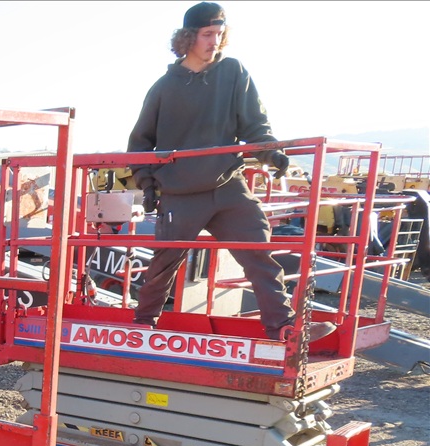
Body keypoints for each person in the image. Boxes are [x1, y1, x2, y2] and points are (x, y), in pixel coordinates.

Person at [127, 2, 335, 342]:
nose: (214, 41)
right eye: (207, 34)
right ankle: (142, 325)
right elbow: (139, 143)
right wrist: (147, 184)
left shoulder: (233, 72)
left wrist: (271, 153)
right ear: (187, 38)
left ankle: (283, 328)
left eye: (219, 34)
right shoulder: (163, 87)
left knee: (259, 254)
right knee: (163, 265)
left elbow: (255, 124)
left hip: (227, 186)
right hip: (181, 192)